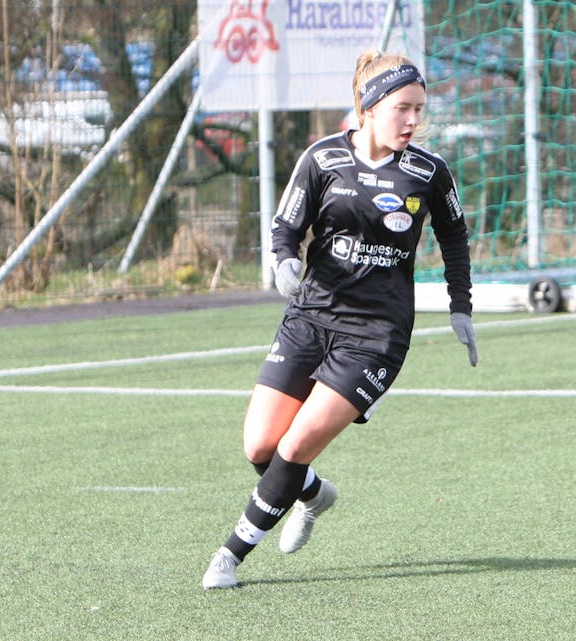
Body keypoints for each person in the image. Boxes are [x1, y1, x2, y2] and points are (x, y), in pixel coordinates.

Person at [201, 49, 477, 589]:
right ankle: (311, 494)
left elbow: (455, 238)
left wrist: (460, 305)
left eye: (420, 109)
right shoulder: (322, 159)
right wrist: (283, 260)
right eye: (403, 108)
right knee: (259, 447)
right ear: (369, 108)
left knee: (294, 446)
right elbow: (286, 227)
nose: (414, 120)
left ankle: (229, 555)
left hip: (376, 336)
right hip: (309, 318)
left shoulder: (428, 172)